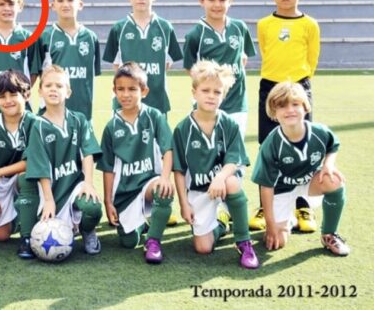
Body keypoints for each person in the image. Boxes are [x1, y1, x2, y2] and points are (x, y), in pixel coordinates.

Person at [102, 0, 182, 226]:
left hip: (157, 102)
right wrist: (128, 92)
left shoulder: (165, 27)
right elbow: (117, 68)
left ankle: (158, 204)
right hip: (125, 106)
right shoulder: (119, 28)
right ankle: (124, 200)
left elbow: (168, 63)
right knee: (126, 155)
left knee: (158, 154)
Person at [251, 0, 321, 232]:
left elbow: (312, 59)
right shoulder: (264, 24)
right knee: (267, 146)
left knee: (302, 146)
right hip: (270, 88)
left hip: (299, 88)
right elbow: (266, 52)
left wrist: (297, 86)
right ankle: (264, 205)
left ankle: (303, 205)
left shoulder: (309, 25)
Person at [172, 60, 259, 269]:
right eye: (205, 90)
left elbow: (234, 160)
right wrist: (184, 204)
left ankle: (244, 241)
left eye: (217, 92)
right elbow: (179, 170)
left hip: (223, 184)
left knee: (232, 182)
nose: (211, 96)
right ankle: (221, 224)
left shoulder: (229, 123)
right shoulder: (183, 129)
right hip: (199, 191)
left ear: (223, 95)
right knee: (203, 248)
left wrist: (220, 177)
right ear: (194, 93)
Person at [251, 82, 349, 256]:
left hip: (309, 183)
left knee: (333, 180)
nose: (290, 110)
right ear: (274, 112)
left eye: (295, 104)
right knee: (277, 242)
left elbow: (332, 146)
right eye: (282, 106)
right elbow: (266, 187)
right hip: (281, 190)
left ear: (305, 107)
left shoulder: (319, 132)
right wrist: (271, 225)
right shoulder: (271, 144)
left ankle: (329, 234)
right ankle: (287, 220)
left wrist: (328, 164)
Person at [17, 65, 103, 258]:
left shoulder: (79, 120)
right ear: (40, 91)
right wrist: (48, 200)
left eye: (59, 85)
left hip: (74, 185)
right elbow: (40, 166)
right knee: (24, 180)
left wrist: (88, 183)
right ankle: (27, 235)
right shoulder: (38, 125)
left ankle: (87, 230)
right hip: (50, 189)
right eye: (48, 85)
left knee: (93, 208)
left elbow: (88, 153)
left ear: (68, 92)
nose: (53, 89)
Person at [97, 62, 174, 264]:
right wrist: (108, 202)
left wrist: (165, 178)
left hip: (149, 183)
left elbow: (168, 150)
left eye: (132, 89)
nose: (126, 94)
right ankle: (141, 223)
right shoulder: (111, 127)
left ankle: (153, 242)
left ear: (144, 91)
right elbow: (107, 168)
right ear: (114, 91)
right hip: (125, 193)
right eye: (121, 89)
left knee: (163, 190)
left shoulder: (154, 116)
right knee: (128, 242)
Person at [182, 0, 256, 137]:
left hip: (237, 104)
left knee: (234, 148)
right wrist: (210, 85)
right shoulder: (195, 35)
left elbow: (243, 57)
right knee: (208, 148)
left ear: (230, 1)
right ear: (201, 0)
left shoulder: (240, 28)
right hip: (207, 104)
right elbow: (190, 69)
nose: (217, 4)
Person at [0, 70, 36, 244]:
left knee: (25, 178)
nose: (8, 101)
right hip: (1, 182)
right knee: (0, 236)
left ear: (26, 95)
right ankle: (17, 218)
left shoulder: (36, 123)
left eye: (13, 95)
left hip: (27, 178)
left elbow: (32, 162)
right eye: (2, 96)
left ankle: (29, 226)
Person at [37, 0, 101, 120]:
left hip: (83, 114)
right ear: (53, 6)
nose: (65, 4)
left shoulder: (91, 38)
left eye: (70, 0)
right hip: (50, 114)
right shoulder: (45, 37)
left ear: (80, 5)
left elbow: (91, 75)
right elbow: (37, 74)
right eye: (60, 0)